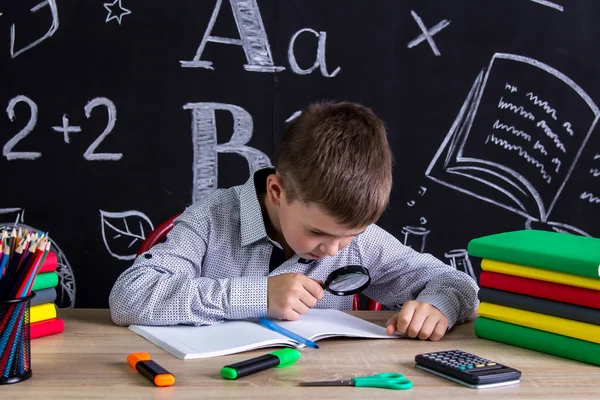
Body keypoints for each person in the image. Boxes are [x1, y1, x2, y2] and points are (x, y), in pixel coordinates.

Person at [109, 101, 479, 341]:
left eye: (351, 234)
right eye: (317, 231)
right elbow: (128, 297)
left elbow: (460, 285)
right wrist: (258, 296)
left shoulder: (358, 242)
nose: (334, 250)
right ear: (276, 191)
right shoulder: (213, 217)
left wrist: (437, 306)